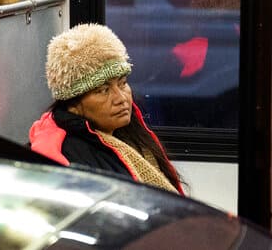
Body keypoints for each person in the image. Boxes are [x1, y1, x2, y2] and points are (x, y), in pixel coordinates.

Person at [28, 23, 184, 194]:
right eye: (103, 90)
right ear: (73, 105)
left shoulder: (129, 134)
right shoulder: (69, 157)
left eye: (123, 83)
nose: (121, 98)